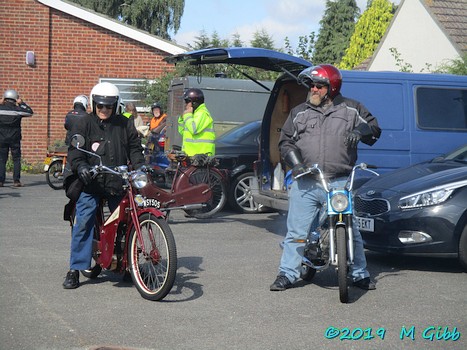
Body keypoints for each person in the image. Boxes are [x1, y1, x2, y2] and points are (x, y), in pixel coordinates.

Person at [270, 64, 382, 292]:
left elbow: (374, 127)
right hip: (307, 181)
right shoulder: (299, 112)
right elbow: (286, 141)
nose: (313, 89)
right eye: (312, 85)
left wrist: (360, 132)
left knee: (351, 228)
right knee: (297, 232)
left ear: (332, 87)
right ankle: (287, 274)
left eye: (319, 86)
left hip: (339, 181)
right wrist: (298, 164)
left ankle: (359, 273)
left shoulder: (352, 108)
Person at [62, 82, 144, 289]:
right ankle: (75, 269)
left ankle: (128, 265)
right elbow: (75, 151)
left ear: (116, 105)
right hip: (91, 182)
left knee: (128, 222)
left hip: (117, 181)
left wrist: (141, 167)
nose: (104, 109)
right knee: (84, 220)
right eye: (100, 105)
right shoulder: (84, 123)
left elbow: (135, 148)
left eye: (108, 106)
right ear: (93, 103)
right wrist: (80, 166)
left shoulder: (125, 124)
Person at [0, 89, 34, 188]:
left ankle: (1, 181)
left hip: (1, 137)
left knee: (2, 159)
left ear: (4, 98)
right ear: (15, 99)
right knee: (16, 159)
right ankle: (16, 181)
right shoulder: (17, 110)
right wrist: (22, 103)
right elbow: (30, 112)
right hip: (15, 138)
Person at [177, 88, 216, 156]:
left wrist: (188, 115)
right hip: (191, 155)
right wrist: (182, 118)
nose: (185, 104)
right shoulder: (193, 114)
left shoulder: (202, 113)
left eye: (187, 101)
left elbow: (194, 129)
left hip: (202, 156)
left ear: (194, 102)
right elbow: (183, 132)